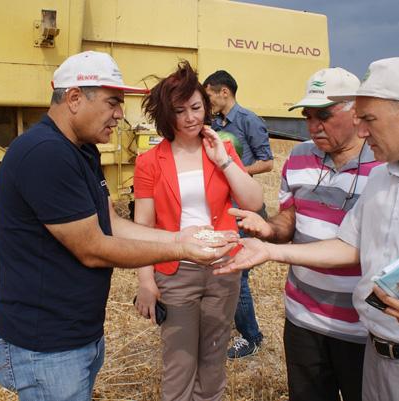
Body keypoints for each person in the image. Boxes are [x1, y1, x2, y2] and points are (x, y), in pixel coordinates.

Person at [216, 57, 399, 401]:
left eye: (369, 120)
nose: (362, 131)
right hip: (376, 359)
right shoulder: (382, 177)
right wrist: (271, 249)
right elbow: (348, 246)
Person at [0, 51, 235, 401]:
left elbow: (112, 223)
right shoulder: (44, 153)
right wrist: (179, 248)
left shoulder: (81, 150)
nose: (120, 113)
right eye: (112, 103)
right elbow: (92, 248)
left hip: (76, 335)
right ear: (74, 98)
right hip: (46, 347)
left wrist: (180, 236)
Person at [230, 67, 381, 401]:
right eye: (308, 116)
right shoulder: (299, 158)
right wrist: (269, 229)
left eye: (324, 115)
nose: (313, 126)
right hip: (302, 319)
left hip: (362, 328)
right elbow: (291, 217)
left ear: (356, 110)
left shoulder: (385, 165)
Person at [133, 61, 263, 401]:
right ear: (166, 115)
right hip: (176, 271)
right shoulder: (149, 162)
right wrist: (146, 281)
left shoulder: (222, 149)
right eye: (180, 110)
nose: (191, 117)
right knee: (179, 362)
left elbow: (253, 201)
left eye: (196, 107)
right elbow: (143, 227)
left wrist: (223, 159)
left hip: (222, 267)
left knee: (213, 360)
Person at [203, 70, 274, 358]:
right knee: (224, 272)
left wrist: (234, 170)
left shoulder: (249, 120)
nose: (207, 102)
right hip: (221, 208)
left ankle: (251, 337)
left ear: (224, 93)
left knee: (238, 275)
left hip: (243, 209)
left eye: (209, 96)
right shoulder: (214, 123)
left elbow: (267, 162)